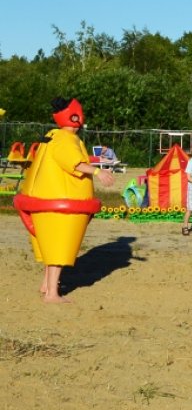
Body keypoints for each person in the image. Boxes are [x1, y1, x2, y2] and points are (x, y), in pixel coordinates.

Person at [13, 98, 115, 303]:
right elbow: (73, 163)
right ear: (76, 117)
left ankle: (46, 285)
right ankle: (52, 294)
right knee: (58, 249)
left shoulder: (52, 136)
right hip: (60, 203)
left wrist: (94, 161)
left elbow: (69, 158)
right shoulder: (66, 139)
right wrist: (98, 172)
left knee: (51, 247)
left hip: (43, 200)